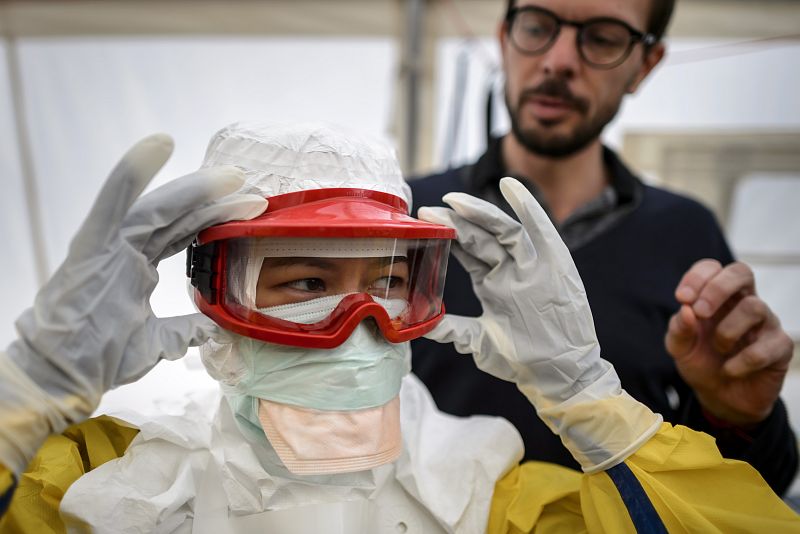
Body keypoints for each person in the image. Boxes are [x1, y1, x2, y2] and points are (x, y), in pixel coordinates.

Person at [1, 122, 798, 533]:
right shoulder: (108, 487)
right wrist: (27, 396)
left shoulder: (483, 492)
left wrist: (590, 401)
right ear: (219, 296)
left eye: (388, 284)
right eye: (308, 283)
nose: (361, 326)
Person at [409, 0, 798, 494]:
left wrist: (736, 416)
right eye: (537, 27)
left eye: (603, 38)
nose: (559, 61)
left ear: (645, 64)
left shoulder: (685, 232)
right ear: (504, 39)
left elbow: (747, 494)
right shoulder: (409, 215)